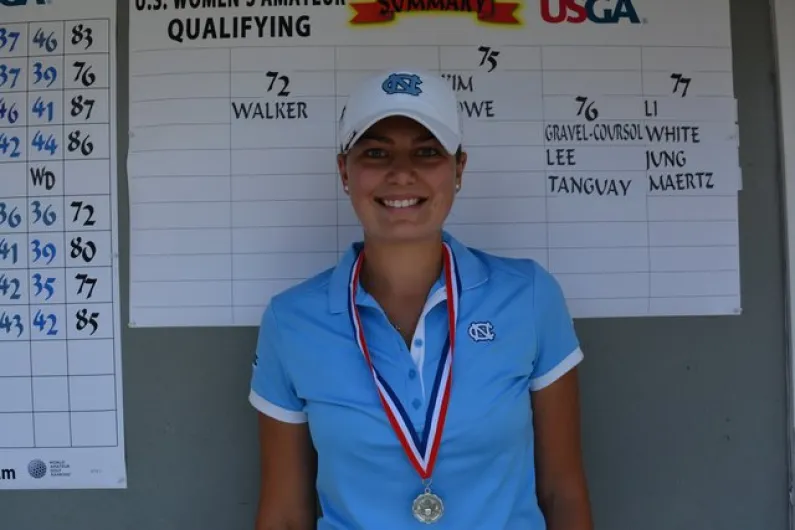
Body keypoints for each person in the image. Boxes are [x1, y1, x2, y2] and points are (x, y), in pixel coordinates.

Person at [248, 69, 594, 530]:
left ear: (459, 169)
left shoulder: (528, 296)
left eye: (427, 151)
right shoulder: (291, 321)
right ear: (343, 171)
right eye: (376, 152)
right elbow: (286, 514)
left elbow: (562, 491)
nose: (402, 172)